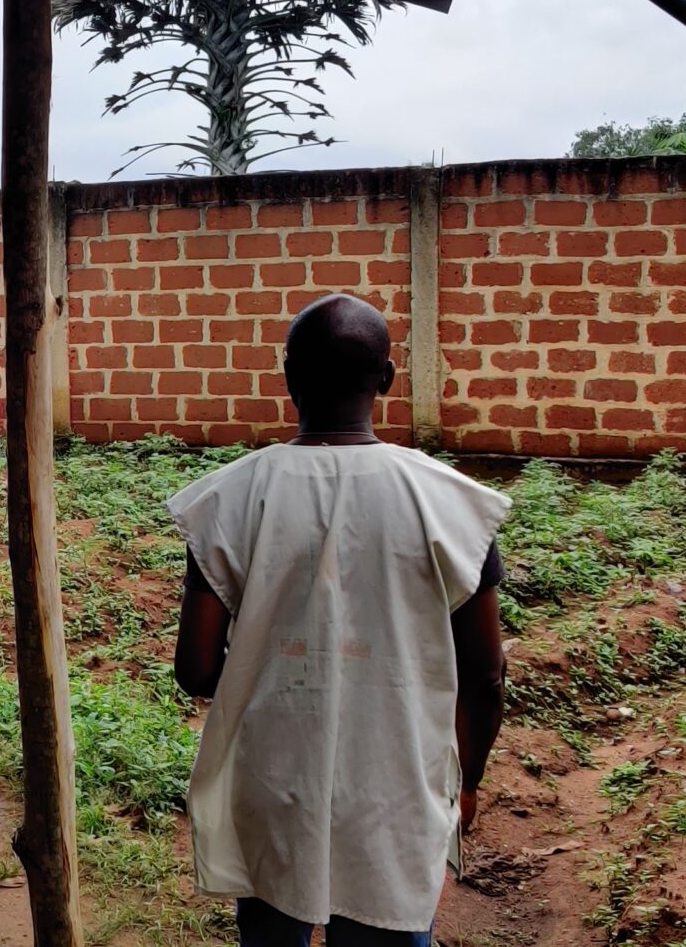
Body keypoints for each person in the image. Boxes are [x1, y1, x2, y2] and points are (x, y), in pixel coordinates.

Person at [168, 294, 510, 947]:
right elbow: (486, 676)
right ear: (386, 379)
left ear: (289, 378)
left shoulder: (232, 498)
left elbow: (196, 667)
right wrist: (469, 781)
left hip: (273, 778)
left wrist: (283, 653)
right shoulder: (450, 506)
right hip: (397, 784)